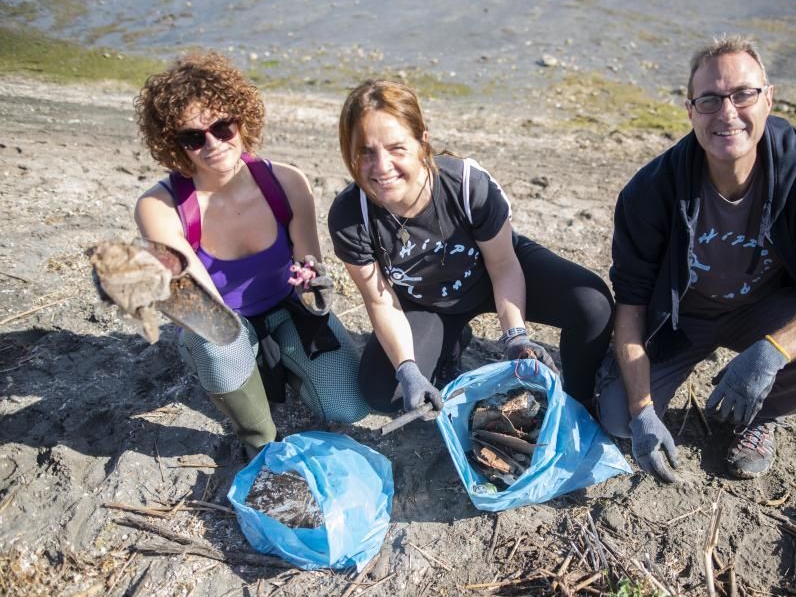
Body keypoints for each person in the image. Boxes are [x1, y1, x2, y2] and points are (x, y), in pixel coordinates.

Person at [598, 35, 796, 482]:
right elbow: (630, 302)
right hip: (681, 317)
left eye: (743, 94)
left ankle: (763, 419)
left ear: (768, 99)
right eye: (709, 100)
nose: (727, 113)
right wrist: (642, 411)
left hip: (766, 309)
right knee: (615, 420)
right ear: (690, 112)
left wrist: (771, 352)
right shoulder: (650, 190)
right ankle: (649, 382)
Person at [328, 79, 614, 416]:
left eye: (396, 148)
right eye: (365, 151)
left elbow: (504, 266)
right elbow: (380, 300)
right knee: (381, 393)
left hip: (493, 274)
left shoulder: (466, 185)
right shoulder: (350, 215)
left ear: (422, 141)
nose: (381, 166)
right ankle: (453, 340)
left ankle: (580, 399)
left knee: (593, 304)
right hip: (427, 302)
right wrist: (407, 368)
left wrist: (516, 337)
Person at [133, 51, 368, 458]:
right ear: (175, 145)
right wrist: (241, 339)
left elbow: (310, 263)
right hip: (222, 323)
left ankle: (280, 365)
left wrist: (315, 286)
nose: (212, 145)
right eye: (194, 137)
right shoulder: (159, 207)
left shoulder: (287, 182)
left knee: (348, 406)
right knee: (216, 336)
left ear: (242, 120)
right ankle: (259, 437)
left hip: (286, 308)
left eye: (222, 127)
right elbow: (201, 305)